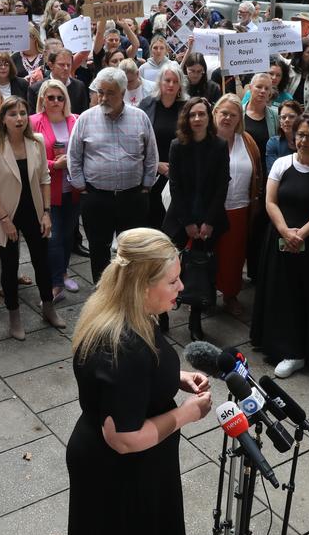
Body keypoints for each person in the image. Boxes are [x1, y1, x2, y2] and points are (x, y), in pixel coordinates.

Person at [65, 228, 211, 535]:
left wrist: (177, 377)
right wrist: (186, 413)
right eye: (171, 282)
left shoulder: (126, 312)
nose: (181, 287)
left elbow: (145, 372)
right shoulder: (120, 345)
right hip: (116, 468)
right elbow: (126, 440)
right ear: (140, 284)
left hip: (137, 465)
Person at [250, 114, 309, 378]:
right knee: (281, 292)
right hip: (280, 239)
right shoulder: (282, 163)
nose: (304, 140)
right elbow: (270, 201)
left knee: (307, 294)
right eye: (301, 134)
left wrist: (301, 234)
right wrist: (284, 230)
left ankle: (300, 351)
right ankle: (279, 343)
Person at [66, 67, 159, 282]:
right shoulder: (86, 119)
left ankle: (130, 291)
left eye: (110, 93)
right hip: (97, 197)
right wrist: (82, 187)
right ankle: (103, 295)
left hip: (132, 196)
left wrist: (146, 186)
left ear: (123, 92)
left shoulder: (140, 118)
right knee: (98, 249)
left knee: (132, 251)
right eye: (101, 92)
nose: (104, 98)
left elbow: (151, 154)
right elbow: (74, 156)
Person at [0, 97, 62, 340]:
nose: (19, 118)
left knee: (42, 261)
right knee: (9, 266)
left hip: (34, 211)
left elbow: (45, 179)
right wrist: (5, 219)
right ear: (3, 119)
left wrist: (46, 213)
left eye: (23, 113)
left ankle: (48, 307)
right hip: (6, 213)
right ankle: (14, 316)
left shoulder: (35, 141)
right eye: (13, 114)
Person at [164, 98, 228, 341]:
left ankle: (195, 320)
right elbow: (176, 186)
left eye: (202, 114)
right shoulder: (177, 145)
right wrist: (188, 222)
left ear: (208, 118)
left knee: (201, 269)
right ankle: (163, 314)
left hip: (209, 216)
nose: (198, 119)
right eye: (193, 115)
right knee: (165, 264)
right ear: (186, 119)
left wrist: (209, 221)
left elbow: (222, 185)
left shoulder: (220, 145)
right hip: (181, 215)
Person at [29, 80, 81, 303]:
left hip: (73, 188)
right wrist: (53, 164)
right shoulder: (33, 122)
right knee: (53, 236)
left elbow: (84, 151)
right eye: (51, 97)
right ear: (42, 99)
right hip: (49, 189)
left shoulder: (76, 120)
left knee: (69, 234)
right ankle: (56, 284)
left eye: (60, 98)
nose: (56, 102)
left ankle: (64, 271)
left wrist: (72, 160)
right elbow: (31, 158)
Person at [211, 95, 262, 318]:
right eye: (224, 113)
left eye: (233, 114)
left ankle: (230, 295)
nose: (228, 118)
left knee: (233, 257)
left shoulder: (247, 141)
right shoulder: (204, 139)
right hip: (209, 210)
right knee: (207, 255)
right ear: (215, 113)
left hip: (239, 209)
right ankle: (203, 294)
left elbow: (257, 172)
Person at [139, 64, 187, 229]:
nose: (171, 85)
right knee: (152, 218)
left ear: (180, 85)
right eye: (167, 80)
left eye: (175, 81)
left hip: (178, 172)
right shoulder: (147, 104)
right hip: (152, 172)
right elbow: (139, 141)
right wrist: (155, 165)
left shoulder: (187, 108)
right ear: (160, 82)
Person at [264, 100, 302, 174]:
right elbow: (273, 173)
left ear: (300, 118)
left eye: (291, 116)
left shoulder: (307, 141)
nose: (287, 120)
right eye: (283, 117)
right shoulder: (273, 143)